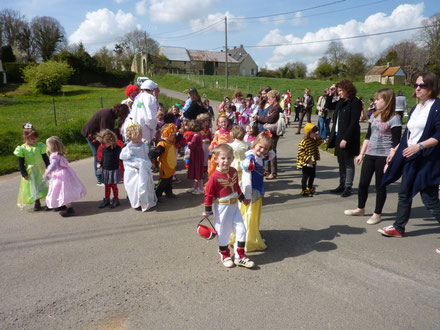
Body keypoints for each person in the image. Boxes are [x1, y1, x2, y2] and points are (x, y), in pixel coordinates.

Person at [378, 72, 440, 238]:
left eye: (422, 85)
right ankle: (399, 228)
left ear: (431, 87)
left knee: (429, 199)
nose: (418, 88)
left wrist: (419, 147)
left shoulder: (437, 107)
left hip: (427, 160)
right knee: (404, 193)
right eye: (416, 85)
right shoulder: (416, 107)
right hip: (410, 157)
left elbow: (439, 135)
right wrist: (395, 150)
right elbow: (409, 134)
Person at [344, 88, 402, 225]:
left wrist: (390, 160)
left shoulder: (395, 118)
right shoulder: (374, 116)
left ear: (386, 101)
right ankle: (360, 209)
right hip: (370, 154)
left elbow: (396, 143)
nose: (375, 102)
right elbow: (368, 136)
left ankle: (377, 214)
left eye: (378, 99)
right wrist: (361, 154)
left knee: (380, 186)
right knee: (363, 183)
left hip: (384, 156)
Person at [203, 144, 255, 268]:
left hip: (235, 206)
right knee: (223, 233)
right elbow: (208, 194)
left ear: (233, 159)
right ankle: (225, 255)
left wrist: (242, 198)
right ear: (216, 159)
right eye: (223, 158)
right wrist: (208, 210)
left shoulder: (233, 171)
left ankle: (240, 256)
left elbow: (236, 187)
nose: (226, 161)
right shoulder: (214, 177)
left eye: (229, 158)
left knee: (242, 230)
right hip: (222, 208)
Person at [240, 132, 275, 252]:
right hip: (250, 193)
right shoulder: (250, 159)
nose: (262, 150)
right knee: (249, 216)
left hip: (258, 190)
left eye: (265, 148)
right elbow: (246, 179)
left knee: (254, 216)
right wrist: (247, 194)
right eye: (260, 146)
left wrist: (266, 149)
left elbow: (272, 154)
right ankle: (247, 240)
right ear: (254, 144)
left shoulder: (260, 157)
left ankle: (251, 235)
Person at [327, 79, 362, 197]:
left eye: (341, 90)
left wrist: (346, 138)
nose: (339, 93)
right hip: (338, 135)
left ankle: (348, 186)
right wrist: (330, 94)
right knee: (340, 161)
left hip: (348, 137)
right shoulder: (341, 102)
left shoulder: (355, 102)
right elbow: (329, 106)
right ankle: (341, 184)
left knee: (348, 162)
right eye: (338, 90)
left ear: (348, 89)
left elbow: (354, 122)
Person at [82, 104, 129, 185]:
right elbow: (105, 133)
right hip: (92, 135)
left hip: (98, 135)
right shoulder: (107, 116)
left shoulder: (111, 114)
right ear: (120, 113)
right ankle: (99, 179)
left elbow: (108, 131)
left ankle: (104, 176)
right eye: (123, 115)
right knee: (98, 156)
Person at [44, 136, 87, 217]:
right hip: (66, 173)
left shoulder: (54, 156)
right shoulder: (60, 154)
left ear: (51, 147)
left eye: (48, 146)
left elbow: (53, 165)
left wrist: (47, 171)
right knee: (64, 191)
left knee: (60, 191)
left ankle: (68, 208)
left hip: (60, 175)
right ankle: (63, 205)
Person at [119, 123, 157, 212]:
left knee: (146, 185)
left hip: (144, 169)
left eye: (141, 133)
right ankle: (137, 203)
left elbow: (145, 156)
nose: (141, 135)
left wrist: (148, 163)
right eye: (139, 134)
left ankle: (145, 201)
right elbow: (125, 160)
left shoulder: (143, 145)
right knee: (136, 187)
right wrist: (137, 164)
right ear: (133, 135)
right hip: (134, 172)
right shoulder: (128, 148)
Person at [14, 123, 49, 210]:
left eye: (36, 138)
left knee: (45, 184)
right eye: (32, 139)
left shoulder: (40, 146)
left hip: (41, 169)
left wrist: (49, 167)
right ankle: (37, 202)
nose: (35, 140)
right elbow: (21, 163)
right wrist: (23, 173)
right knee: (33, 186)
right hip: (31, 171)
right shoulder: (22, 149)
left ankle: (49, 201)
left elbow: (45, 158)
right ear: (26, 138)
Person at [254, 89, 281, 180]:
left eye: (269, 98)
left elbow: (270, 120)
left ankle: (273, 173)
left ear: (274, 98)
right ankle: (268, 170)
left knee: (272, 151)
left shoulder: (276, 108)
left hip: (273, 133)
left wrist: (258, 118)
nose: (268, 100)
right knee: (268, 150)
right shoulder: (274, 107)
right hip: (269, 132)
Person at [149, 124, 179, 202]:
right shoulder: (162, 144)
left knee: (169, 181)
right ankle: (157, 195)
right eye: (171, 135)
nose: (173, 136)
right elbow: (156, 152)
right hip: (164, 167)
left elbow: (178, 139)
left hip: (170, 166)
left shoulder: (170, 141)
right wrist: (151, 156)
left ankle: (169, 192)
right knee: (162, 182)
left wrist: (181, 132)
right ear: (166, 134)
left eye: (173, 134)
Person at [126, 79, 160, 144]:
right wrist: (154, 126)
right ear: (153, 90)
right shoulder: (150, 98)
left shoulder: (139, 97)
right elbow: (150, 117)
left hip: (133, 127)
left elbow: (140, 109)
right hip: (143, 131)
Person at [96, 129, 122, 208]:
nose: (102, 145)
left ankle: (116, 199)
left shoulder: (117, 149)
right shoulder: (104, 149)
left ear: (111, 141)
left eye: (104, 143)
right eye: (102, 143)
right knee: (107, 186)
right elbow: (103, 157)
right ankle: (107, 199)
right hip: (106, 170)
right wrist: (100, 163)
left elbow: (121, 157)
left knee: (114, 186)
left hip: (114, 170)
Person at [297, 123, 322, 197]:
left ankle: (310, 188)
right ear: (308, 133)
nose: (315, 134)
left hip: (313, 161)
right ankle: (304, 190)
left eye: (316, 132)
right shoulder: (303, 142)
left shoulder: (313, 140)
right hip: (306, 162)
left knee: (312, 175)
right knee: (305, 176)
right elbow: (300, 153)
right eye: (314, 132)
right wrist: (307, 159)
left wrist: (318, 138)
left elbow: (318, 144)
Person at [187, 120, 205, 195]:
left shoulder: (195, 136)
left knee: (197, 171)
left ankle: (201, 188)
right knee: (197, 171)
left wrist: (189, 144)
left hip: (196, 155)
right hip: (199, 154)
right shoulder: (200, 135)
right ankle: (195, 186)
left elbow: (192, 146)